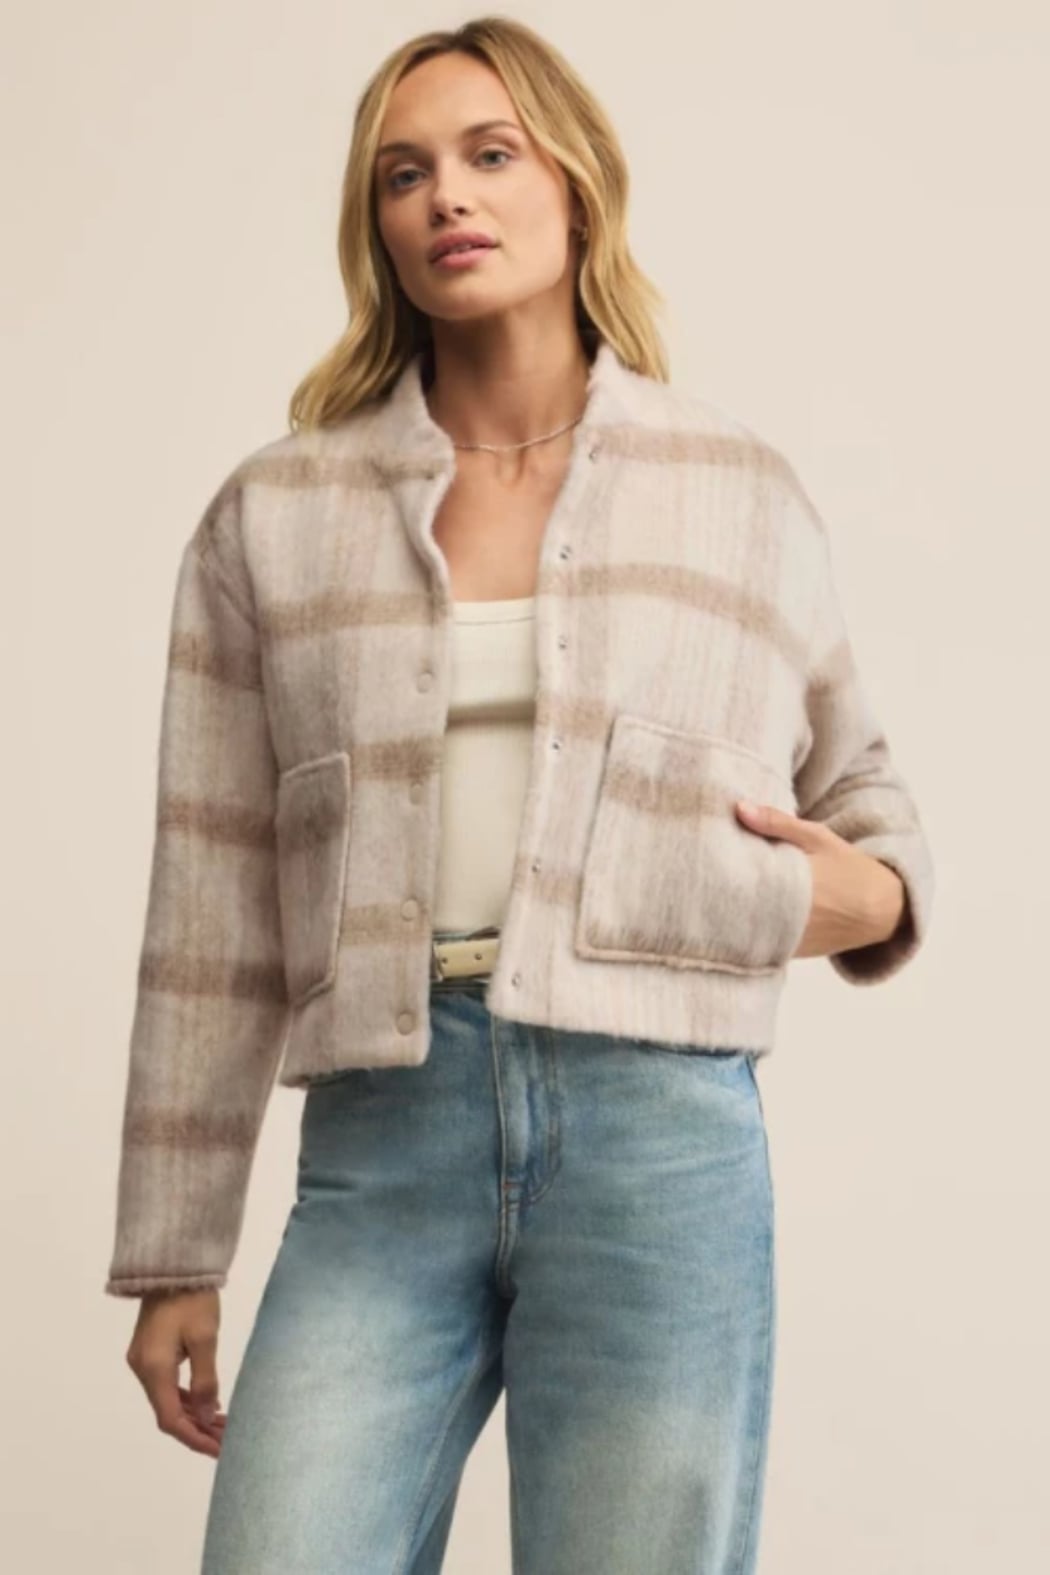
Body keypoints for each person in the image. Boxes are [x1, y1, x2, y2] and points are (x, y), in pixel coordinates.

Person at [105, 17, 934, 1574]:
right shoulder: (275, 514)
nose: (446, 196)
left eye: (490, 154)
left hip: (659, 1137)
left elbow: (867, 793)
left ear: (575, 187)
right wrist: (174, 1252)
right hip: (381, 1141)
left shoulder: (732, 492)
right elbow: (208, 907)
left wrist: (855, 896)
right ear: (375, 224)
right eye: (402, 173)